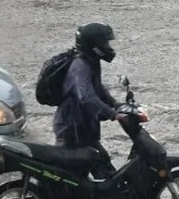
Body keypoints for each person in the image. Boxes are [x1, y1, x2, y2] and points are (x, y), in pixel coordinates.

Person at [52, 22, 126, 180]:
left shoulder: (91, 62)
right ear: (94, 45)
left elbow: (98, 88)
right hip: (72, 132)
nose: (108, 47)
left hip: (83, 131)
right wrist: (113, 114)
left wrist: (116, 104)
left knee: (104, 170)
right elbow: (86, 97)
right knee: (94, 175)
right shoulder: (80, 66)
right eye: (105, 43)